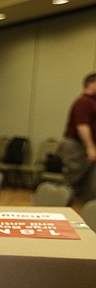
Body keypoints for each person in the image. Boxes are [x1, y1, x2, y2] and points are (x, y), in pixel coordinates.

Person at [58, 72, 96, 200]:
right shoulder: (83, 102)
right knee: (70, 181)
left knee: (90, 184)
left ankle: (89, 214)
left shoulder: (92, 102)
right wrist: (90, 147)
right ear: (91, 84)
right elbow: (82, 126)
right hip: (77, 146)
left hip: (84, 146)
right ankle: (59, 208)